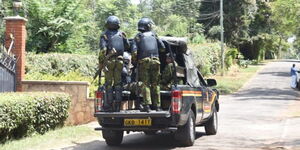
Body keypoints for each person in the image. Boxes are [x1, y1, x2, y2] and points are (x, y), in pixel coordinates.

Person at [132, 17, 165, 112]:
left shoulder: (138, 37)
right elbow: (162, 48)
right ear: (148, 26)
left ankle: (147, 106)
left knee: (145, 84)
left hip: (143, 62)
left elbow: (134, 52)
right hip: (156, 61)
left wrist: (135, 62)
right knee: (156, 84)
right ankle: (158, 106)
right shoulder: (154, 35)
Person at [99, 16, 130, 112]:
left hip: (109, 62)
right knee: (118, 83)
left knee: (108, 84)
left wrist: (101, 62)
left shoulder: (104, 35)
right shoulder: (122, 34)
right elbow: (127, 46)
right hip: (120, 61)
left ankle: (108, 105)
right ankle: (117, 105)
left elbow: (103, 50)